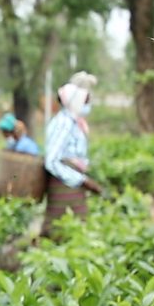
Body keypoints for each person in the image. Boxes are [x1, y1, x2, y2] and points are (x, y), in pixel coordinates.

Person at [43, 80, 105, 237]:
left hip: (72, 182)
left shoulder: (74, 122)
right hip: (65, 183)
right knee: (63, 229)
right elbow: (51, 160)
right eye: (84, 101)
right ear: (75, 102)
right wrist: (80, 180)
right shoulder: (63, 123)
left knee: (73, 228)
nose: (87, 105)